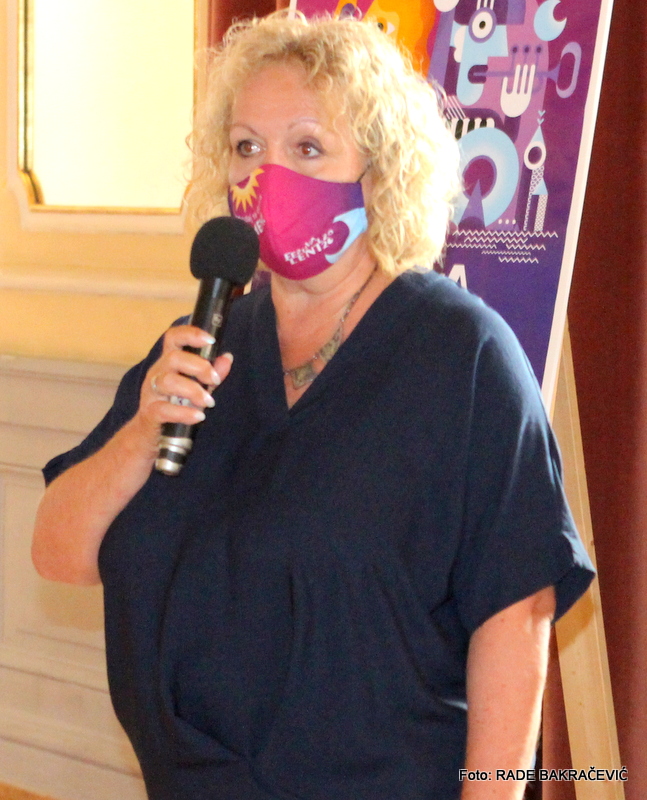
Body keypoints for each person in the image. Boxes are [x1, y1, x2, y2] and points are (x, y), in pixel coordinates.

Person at [32, 12, 594, 800]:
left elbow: (515, 616)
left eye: (306, 147)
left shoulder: (461, 356)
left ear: (380, 170)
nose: (267, 175)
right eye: (245, 147)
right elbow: (58, 554)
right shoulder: (204, 341)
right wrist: (139, 434)